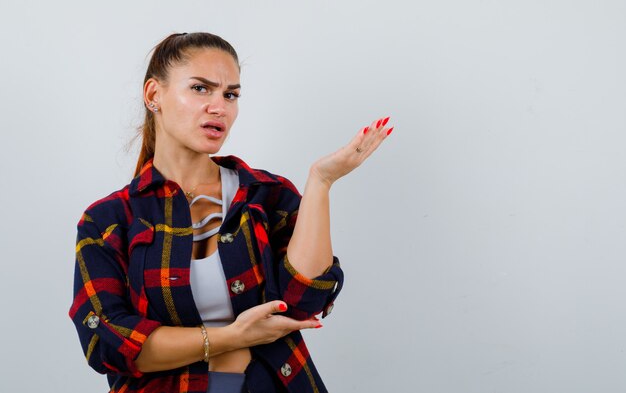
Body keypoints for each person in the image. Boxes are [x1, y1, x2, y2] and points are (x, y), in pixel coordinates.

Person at [69, 32, 393, 393]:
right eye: (200, 89)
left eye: (231, 94)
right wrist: (231, 337)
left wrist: (321, 182)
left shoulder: (265, 195)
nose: (219, 107)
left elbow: (303, 302)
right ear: (153, 95)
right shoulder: (108, 221)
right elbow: (107, 342)